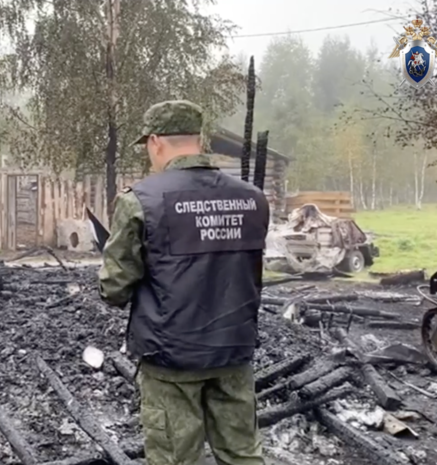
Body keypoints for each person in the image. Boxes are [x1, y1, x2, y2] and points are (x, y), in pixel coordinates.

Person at [98, 100, 270, 465]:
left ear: (156, 141)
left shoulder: (141, 201)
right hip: (233, 350)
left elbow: (114, 290)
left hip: (171, 357)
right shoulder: (252, 199)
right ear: (200, 138)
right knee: (244, 456)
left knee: (175, 459)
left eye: (147, 146)